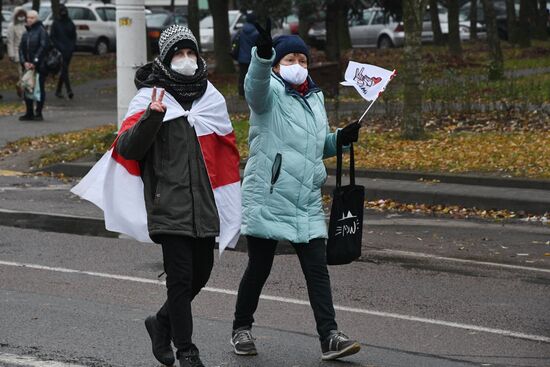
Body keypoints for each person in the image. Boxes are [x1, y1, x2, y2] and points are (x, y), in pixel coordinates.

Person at [230, 20, 362, 361]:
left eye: (302, 61)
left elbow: (314, 146)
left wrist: (338, 140)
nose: (298, 67)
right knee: (259, 267)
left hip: (306, 200)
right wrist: (260, 57)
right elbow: (254, 88)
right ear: (277, 66)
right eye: (289, 61)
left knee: (317, 270)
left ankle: (329, 336)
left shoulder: (314, 98)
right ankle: (241, 328)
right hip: (270, 196)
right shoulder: (268, 93)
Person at [112, 25, 240, 367]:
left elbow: (226, 151)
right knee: (181, 279)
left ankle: (161, 323)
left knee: (201, 275)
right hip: (168, 205)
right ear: (166, 59)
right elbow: (128, 148)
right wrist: (153, 117)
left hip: (204, 206)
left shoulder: (211, 99)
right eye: (177, 54)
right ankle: (187, 350)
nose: (185, 60)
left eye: (190, 53)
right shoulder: (150, 98)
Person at [18, 10, 49, 121]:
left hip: (39, 66)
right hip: (27, 66)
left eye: (32, 18)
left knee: (39, 89)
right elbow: (21, 49)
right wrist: (24, 62)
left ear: (36, 19)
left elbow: (43, 47)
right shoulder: (26, 33)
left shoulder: (41, 31)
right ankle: (29, 112)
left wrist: (34, 62)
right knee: (27, 88)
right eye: (28, 17)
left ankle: (39, 113)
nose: (29, 19)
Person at [50, 4, 76, 99]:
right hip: (59, 51)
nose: (63, 13)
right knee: (64, 70)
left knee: (64, 71)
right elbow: (52, 37)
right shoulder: (56, 23)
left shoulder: (70, 23)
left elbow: (73, 36)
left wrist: (71, 47)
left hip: (68, 51)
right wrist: (58, 48)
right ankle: (69, 90)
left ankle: (58, 90)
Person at [235, 12, 258, 97]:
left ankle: (241, 93)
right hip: (252, 58)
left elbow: (235, 40)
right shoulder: (256, 32)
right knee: (252, 76)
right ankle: (251, 94)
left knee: (242, 76)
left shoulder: (241, 31)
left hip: (242, 58)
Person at [7, 7, 27, 96]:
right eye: (19, 15)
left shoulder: (27, 24)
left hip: (28, 52)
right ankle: (23, 90)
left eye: (23, 15)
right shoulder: (12, 26)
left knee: (27, 72)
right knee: (21, 72)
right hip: (17, 52)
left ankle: (20, 85)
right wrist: (11, 54)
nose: (21, 17)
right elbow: (10, 41)